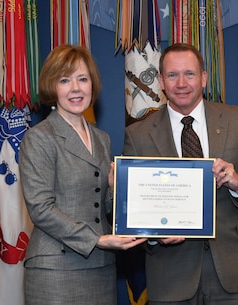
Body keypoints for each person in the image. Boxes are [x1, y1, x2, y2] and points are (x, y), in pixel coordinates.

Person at [123, 43, 238, 305]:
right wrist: (153, 234)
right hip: (170, 277)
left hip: (233, 275)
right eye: (172, 75)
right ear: (161, 82)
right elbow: (129, 206)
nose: (181, 83)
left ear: (204, 78)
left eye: (189, 74)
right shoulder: (138, 135)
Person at [19, 44, 146, 305]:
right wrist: (96, 239)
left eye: (83, 79)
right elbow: (41, 209)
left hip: (101, 267)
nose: (76, 88)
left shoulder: (101, 139)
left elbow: (102, 206)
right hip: (55, 269)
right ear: (51, 87)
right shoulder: (39, 137)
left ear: (93, 85)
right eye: (65, 80)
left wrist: (114, 189)